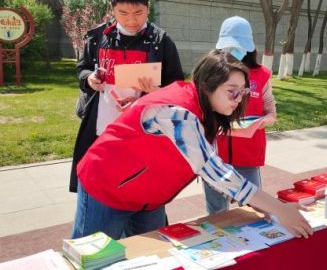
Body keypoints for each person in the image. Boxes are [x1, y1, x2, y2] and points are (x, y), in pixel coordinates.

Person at [71, 50, 313, 240]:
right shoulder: (179, 113)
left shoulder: (208, 111)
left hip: (149, 197)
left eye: (242, 92)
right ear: (207, 85)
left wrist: (262, 206)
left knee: (149, 258)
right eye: (231, 91)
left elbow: (214, 165)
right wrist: (279, 209)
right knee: (90, 259)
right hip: (106, 188)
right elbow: (214, 170)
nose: (239, 100)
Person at [70, 0, 185, 193]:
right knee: (99, 190)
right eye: (123, 13)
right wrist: (89, 79)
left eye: (138, 13)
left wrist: (150, 95)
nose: (131, 20)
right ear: (112, 9)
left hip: (142, 133)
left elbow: (177, 87)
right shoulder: (97, 38)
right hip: (101, 130)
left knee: (141, 192)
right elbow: (82, 70)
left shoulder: (161, 42)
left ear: (148, 8)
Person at [203, 16, 276, 214]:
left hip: (248, 155)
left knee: (255, 210)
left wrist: (260, 122)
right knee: (216, 213)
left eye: (239, 46)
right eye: (229, 47)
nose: (233, 52)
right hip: (216, 156)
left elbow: (271, 112)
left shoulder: (262, 75)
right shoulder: (213, 72)